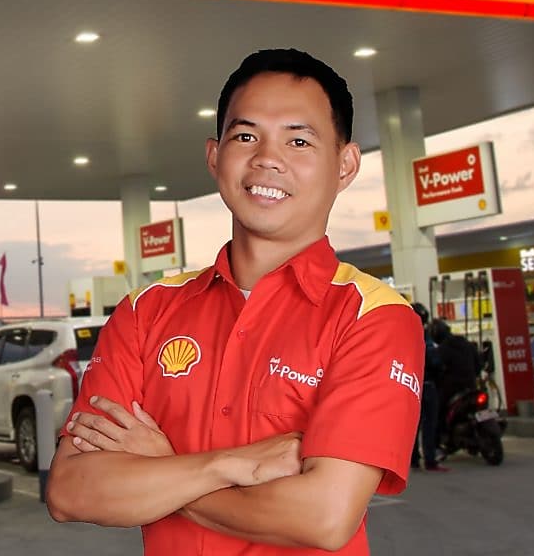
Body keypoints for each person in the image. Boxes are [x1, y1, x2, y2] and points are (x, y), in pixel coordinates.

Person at [45, 49, 424, 554]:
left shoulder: (374, 319)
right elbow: (72, 491)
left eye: (299, 140)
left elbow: (323, 516)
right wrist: (228, 466)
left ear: (345, 164)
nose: (268, 158)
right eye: (246, 136)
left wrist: (163, 468)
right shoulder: (146, 311)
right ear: (214, 156)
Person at [410, 303, 447, 473]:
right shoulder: (425, 337)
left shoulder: (401, 335)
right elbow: (435, 362)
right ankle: (430, 460)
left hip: (410, 386)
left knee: (412, 425)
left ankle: (414, 459)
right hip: (427, 385)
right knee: (429, 424)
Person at [432, 319, 482, 431]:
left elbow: (436, 369)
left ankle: (439, 439)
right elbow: (479, 365)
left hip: (451, 390)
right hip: (471, 386)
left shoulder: (442, 349)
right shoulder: (467, 344)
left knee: (436, 411)